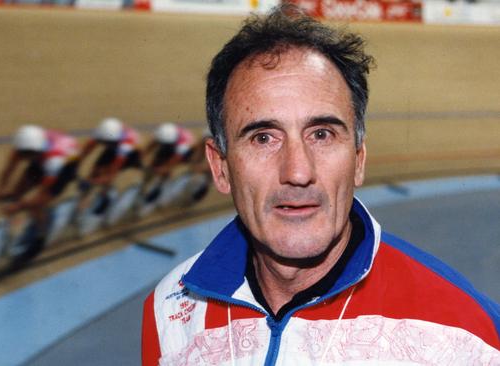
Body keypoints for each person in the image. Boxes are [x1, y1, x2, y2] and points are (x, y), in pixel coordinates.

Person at [142, 4, 500, 365]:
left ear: (358, 160)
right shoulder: (171, 309)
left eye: (322, 134)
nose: (298, 172)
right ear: (221, 168)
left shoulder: (469, 336)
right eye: (264, 138)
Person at [0, 124, 80, 263]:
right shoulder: (23, 147)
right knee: (16, 193)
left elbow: (41, 194)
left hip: (66, 165)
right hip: (42, 158)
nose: (22, 157)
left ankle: (40, 236)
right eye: (22, 154)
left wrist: (19, 206)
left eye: (26, 155)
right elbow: (8, 170)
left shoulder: (53, 160)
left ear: (35, 151)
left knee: (37, 205)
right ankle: (12, 230)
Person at [77, 117, 142, 214]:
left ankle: (107, 195)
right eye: (104, 142)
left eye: (108, 142)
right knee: (95, 170)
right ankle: (85, 198)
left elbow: (113, 170)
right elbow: (87, 149)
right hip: (114, 148)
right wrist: (77, 163)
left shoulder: (125, 145)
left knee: (107, 173)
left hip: (131, 155)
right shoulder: (102, 132)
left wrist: (91, 181)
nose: (105, 143)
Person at [140, 122, 195, 203]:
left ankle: (163, 185)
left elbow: (173, 162)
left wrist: (163, 169)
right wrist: (142, 159)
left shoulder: (183, 145)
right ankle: (145, 184)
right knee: (155, 162)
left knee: (165, 169)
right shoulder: (162, 134)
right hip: (170, 144)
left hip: (185, 153)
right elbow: (150, 146)